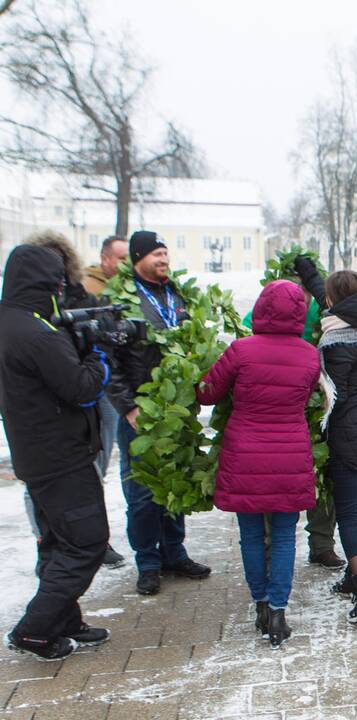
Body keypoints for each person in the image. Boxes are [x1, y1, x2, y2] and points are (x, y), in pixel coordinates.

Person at [0, 245, 112, 661]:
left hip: (35, 453)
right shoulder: (36, 334)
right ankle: (34, 629)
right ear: (48, 284)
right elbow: (83, 389)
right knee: (86, 542)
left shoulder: (9, 323)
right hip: (61, 456)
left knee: (56, 542)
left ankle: (63, 620)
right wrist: (99, 354)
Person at [196, 280, 321, 648]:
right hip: (290, 455)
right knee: (284, 536)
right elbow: (309, 393)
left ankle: (261, 605)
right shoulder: (310, 355)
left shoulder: (240, 350)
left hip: (245, 454)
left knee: (251, 535)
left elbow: (207, 393)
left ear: (262, 307)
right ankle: (280, 612)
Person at [107, 231, 211, 595]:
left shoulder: (177, 294)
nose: (164, 260)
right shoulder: (121, 301)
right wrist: (128, 407)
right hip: (143, 410)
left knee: (176, 478)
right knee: (143, 488)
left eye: (166, 253)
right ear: (137, 258)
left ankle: (174, 551)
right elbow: (108, 363)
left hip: (177, 407)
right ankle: (147, 562)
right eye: (156, 254)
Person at [23, 231, 126, 569]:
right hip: (51, 396)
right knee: (44, 480)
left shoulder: (80, 292)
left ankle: (94, 539)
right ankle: (47, 542)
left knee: (93, 464)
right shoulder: (28, 306)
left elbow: (96, 331)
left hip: (91, 386)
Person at [302, 265, 357, 622]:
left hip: (347, 433)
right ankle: (354, 579)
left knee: (348, 512)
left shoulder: (335, 339)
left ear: (336, 300)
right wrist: (307, 271)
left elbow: (336, 395)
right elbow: (330, 297)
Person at [242, 273, 344, 570]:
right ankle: (271, 545)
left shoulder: (322, 311)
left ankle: (322, 544)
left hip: (318, 406)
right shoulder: (261, 313)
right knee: (273, 483)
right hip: (277, 412)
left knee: (323, 476)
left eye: (306, 290)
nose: (302, 297)